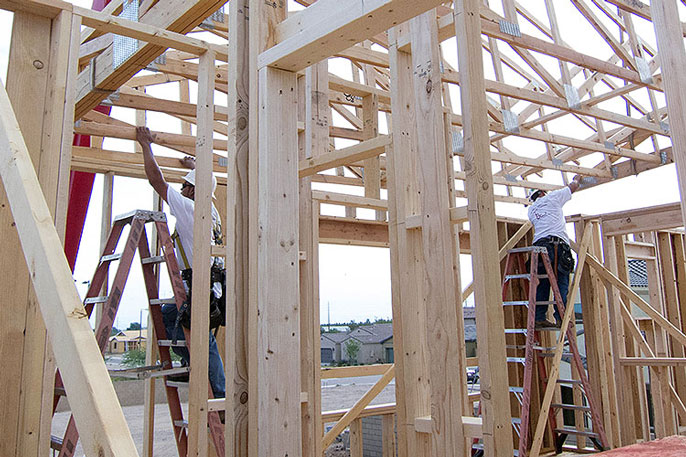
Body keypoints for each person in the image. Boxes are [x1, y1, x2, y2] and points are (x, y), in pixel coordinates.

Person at [136, 126, 225, 398]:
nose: (181, 189)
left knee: (200, 336)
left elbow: (157, 183)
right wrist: (195, 166)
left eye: (185, 185)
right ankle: (190, 365)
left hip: (198, 285)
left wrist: (146, 145)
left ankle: (219, 393)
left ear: (194, 190)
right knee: (168, 318)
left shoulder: (190, 209)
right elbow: (203, 182)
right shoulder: (210, 208)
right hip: (209, 285)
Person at [528, 175, 581, 330]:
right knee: (561, 283)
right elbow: (572, 187)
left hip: (539, 248)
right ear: (542, 193)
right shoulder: (552, 198)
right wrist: (577, 179)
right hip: (556, 246)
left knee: (543, 283)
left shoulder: (531, 210)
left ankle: (538, 317)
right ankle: (561, 318)